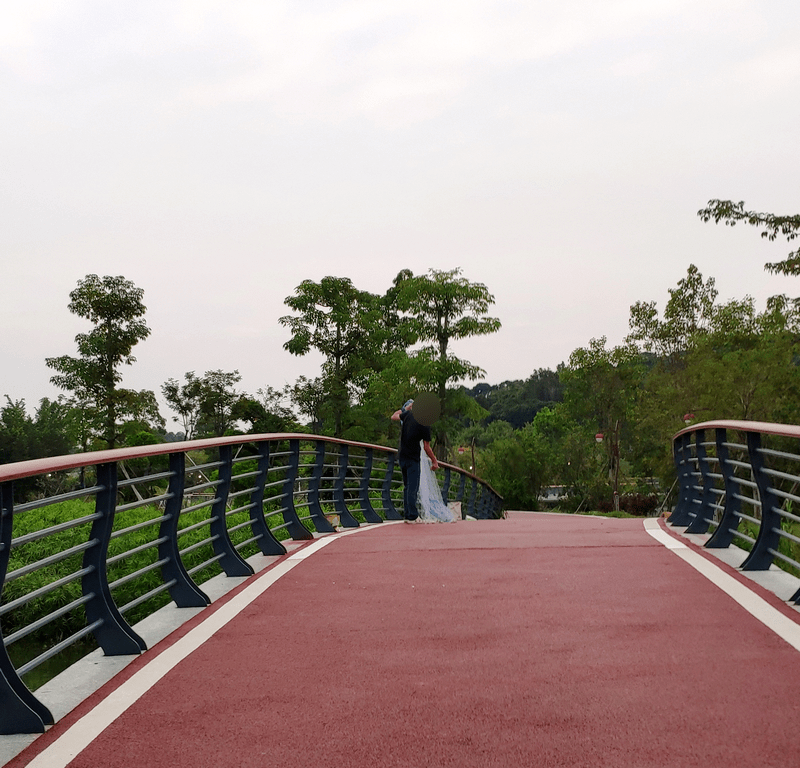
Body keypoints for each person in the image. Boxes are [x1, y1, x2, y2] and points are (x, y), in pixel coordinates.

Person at [391, 399, 439, 522]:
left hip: (402, 455)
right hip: (413, 457)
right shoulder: (425, 424)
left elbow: (394, 416)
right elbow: (427, 447)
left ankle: (408, 514)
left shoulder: (408, 415)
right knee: (413, 486)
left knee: (407, 486)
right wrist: (434, 461)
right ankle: (412, 515)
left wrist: (406, 408)